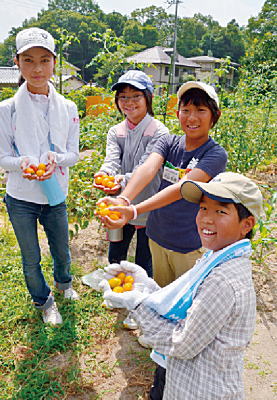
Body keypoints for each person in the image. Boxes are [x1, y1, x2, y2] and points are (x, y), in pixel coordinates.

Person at [102, 171, 263, 400]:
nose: (207, 218)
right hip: (183, 379)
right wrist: (147, 288)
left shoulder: (223, 280)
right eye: (203, 208)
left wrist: (137, 304)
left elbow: (181, 345)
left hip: (201, 390)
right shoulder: (218, 258)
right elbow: (188, 310)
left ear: (246, 224)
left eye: (220, 211)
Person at [100, 81, 228, 288]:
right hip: (158, 235)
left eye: (201, 110)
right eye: (185, 110)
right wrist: (124, 199)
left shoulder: (214, 154)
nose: (192, 117)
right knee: (159, 291)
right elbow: (147, 169)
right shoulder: (168, 142)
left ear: (215, 115)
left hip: (188, 243)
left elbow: (183, 188)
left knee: (182, 299)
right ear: (177, 113)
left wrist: (132, 211)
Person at [0, 28, 80, 325]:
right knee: (31, 256)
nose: (37, 68)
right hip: (21, 197)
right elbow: (2, 158)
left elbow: (73, 154)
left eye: (44, 60)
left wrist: (55, 158)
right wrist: (24, 163)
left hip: (55, 192)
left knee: (61, 248)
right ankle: (43, 300)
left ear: (54, 63)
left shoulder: (68, 108)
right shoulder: (6, 110)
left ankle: (64, 283)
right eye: (29, 60)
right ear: (17, 62)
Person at [93, 70, 169, 329]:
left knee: (144, 259)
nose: (129, 102)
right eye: (123, 97)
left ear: (147, 98)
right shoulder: (116, 131)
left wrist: (120, 183)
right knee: (116, 251)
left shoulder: (159, 131)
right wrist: (104, 174)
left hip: (147, 205)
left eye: (136, 96)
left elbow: (145, 166)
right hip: (118, 205)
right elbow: (111, 160)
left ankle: (140, 305)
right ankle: (117, 293)